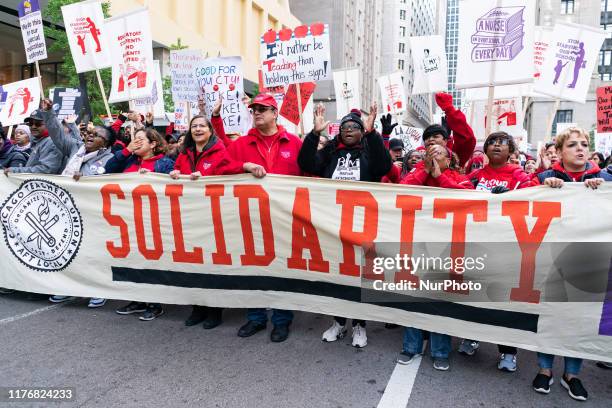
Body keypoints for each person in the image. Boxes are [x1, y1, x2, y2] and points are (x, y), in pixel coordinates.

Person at [298, 102, 391, 348]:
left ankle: (359, 325)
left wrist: (374, 135)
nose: (349, 130)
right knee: (336, 276)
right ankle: (339, 322)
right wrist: (314, 133)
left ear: (362, 131)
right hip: (333, 225)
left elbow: (384, 168)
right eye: (345, 127)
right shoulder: (330, 153)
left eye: (355, 127)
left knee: (358, 277)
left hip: (363, 226)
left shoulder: (370, 153)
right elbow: (306, 164)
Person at [532, 127, 611, 401]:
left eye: (584, 144)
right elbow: (523, 211)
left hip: (591, 263)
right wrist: (545, 190)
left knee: (580, 319)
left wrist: (602, 193)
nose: (580, 148)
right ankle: (544, 369)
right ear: (561, 152)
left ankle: (572, 374)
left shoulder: (605, 179)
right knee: (552, 315)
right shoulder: (543, 178)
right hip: (551, 260)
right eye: (573, 145)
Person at [169, 114, 264, 329]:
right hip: (188, 218)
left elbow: (230, 168)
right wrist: (174, 174)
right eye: (194, 126)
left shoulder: (219, 151)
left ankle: (214, 310)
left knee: (212, 266)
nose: (198, 129)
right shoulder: (184, 154)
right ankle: (198, 308)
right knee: (191, 266)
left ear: (210, 131)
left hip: (212, 219)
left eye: (202, 125)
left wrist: (247, 166)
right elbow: (174, 172)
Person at [224, 93, 302, 342]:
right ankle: (256, 317)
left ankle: (281, 320)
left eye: (262, 108)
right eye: (254, 109)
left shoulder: (293, 142)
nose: (256, 112)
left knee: (282, 271)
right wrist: (243, 166)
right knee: (252, 270)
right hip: (249, 218)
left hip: (284, 219)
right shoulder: (240, 145)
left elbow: (310, 174)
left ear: (275, 113)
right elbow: (219, 169)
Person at [398, 144, 473, 371]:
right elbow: (403, 189)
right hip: (416, 244)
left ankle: (440, 351)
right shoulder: (417, 174)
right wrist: (424, 168)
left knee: (440, 300)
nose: (432, 156)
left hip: (447, 248)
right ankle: (410, 347)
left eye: (438, 153)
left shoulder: (461, 178)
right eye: (427, 153)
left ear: (449, 161)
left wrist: (439, 176)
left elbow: (465, 198)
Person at [106, 128, 174, 321]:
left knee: (152, 262)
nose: (136, 142)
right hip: (128, 219)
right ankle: (137, 299)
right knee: (131, 261)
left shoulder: (164, 163)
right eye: (134, 140)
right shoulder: (129, 159)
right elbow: (109, 170)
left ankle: (155, 303)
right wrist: (127, 150)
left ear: (153, 144)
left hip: (153, 220)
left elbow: (172, 188)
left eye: (140, 140)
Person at [4, 108, 64, 176]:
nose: (33, 126)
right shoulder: (39, 141)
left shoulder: (52, 142)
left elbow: (47, 169)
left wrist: (16, 170)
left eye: (38, 124)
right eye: (30, 124)